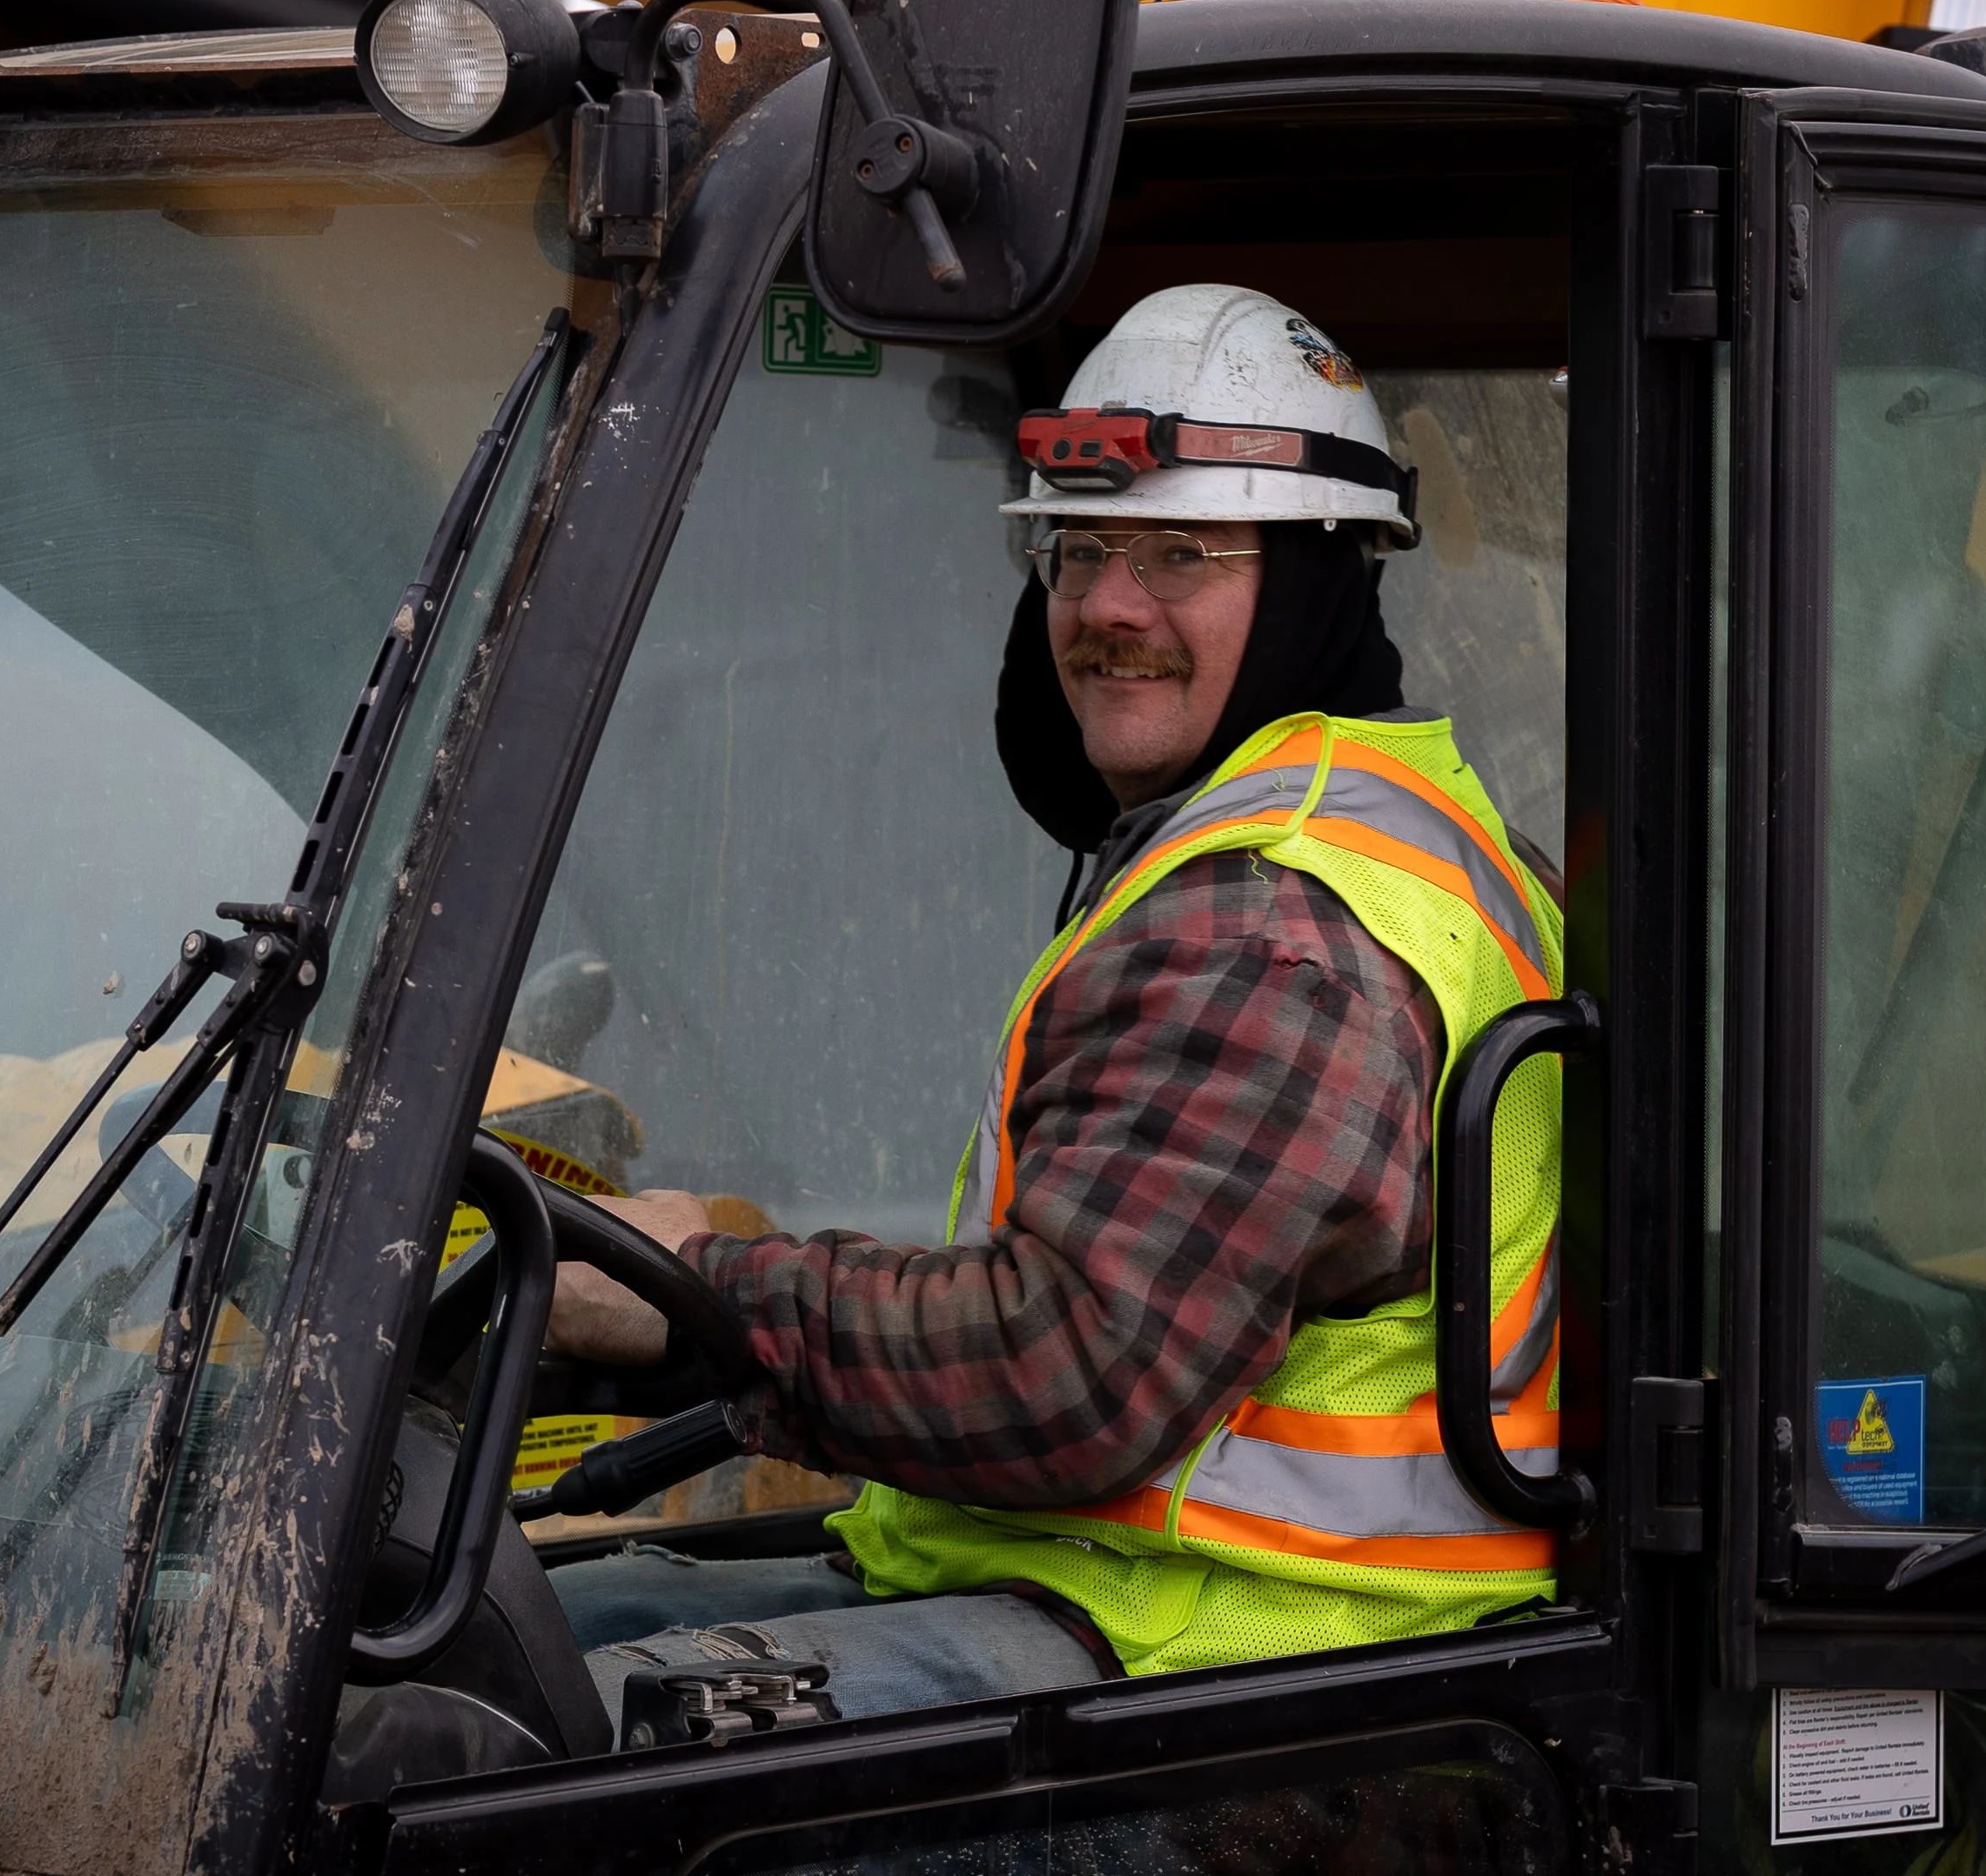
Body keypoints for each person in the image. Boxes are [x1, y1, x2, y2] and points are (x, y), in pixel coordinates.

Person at [544, 283, 1565, 1726]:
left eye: (1181, 554)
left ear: (1320, 581)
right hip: (1086, 1586)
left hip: (1232, 1668)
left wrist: (692, 1298)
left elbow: (1070, 1369)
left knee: (504, 1748)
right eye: (1078, 551)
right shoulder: (1342, 836)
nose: (1105, 609)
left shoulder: (1276, 923)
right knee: (503, 1644)